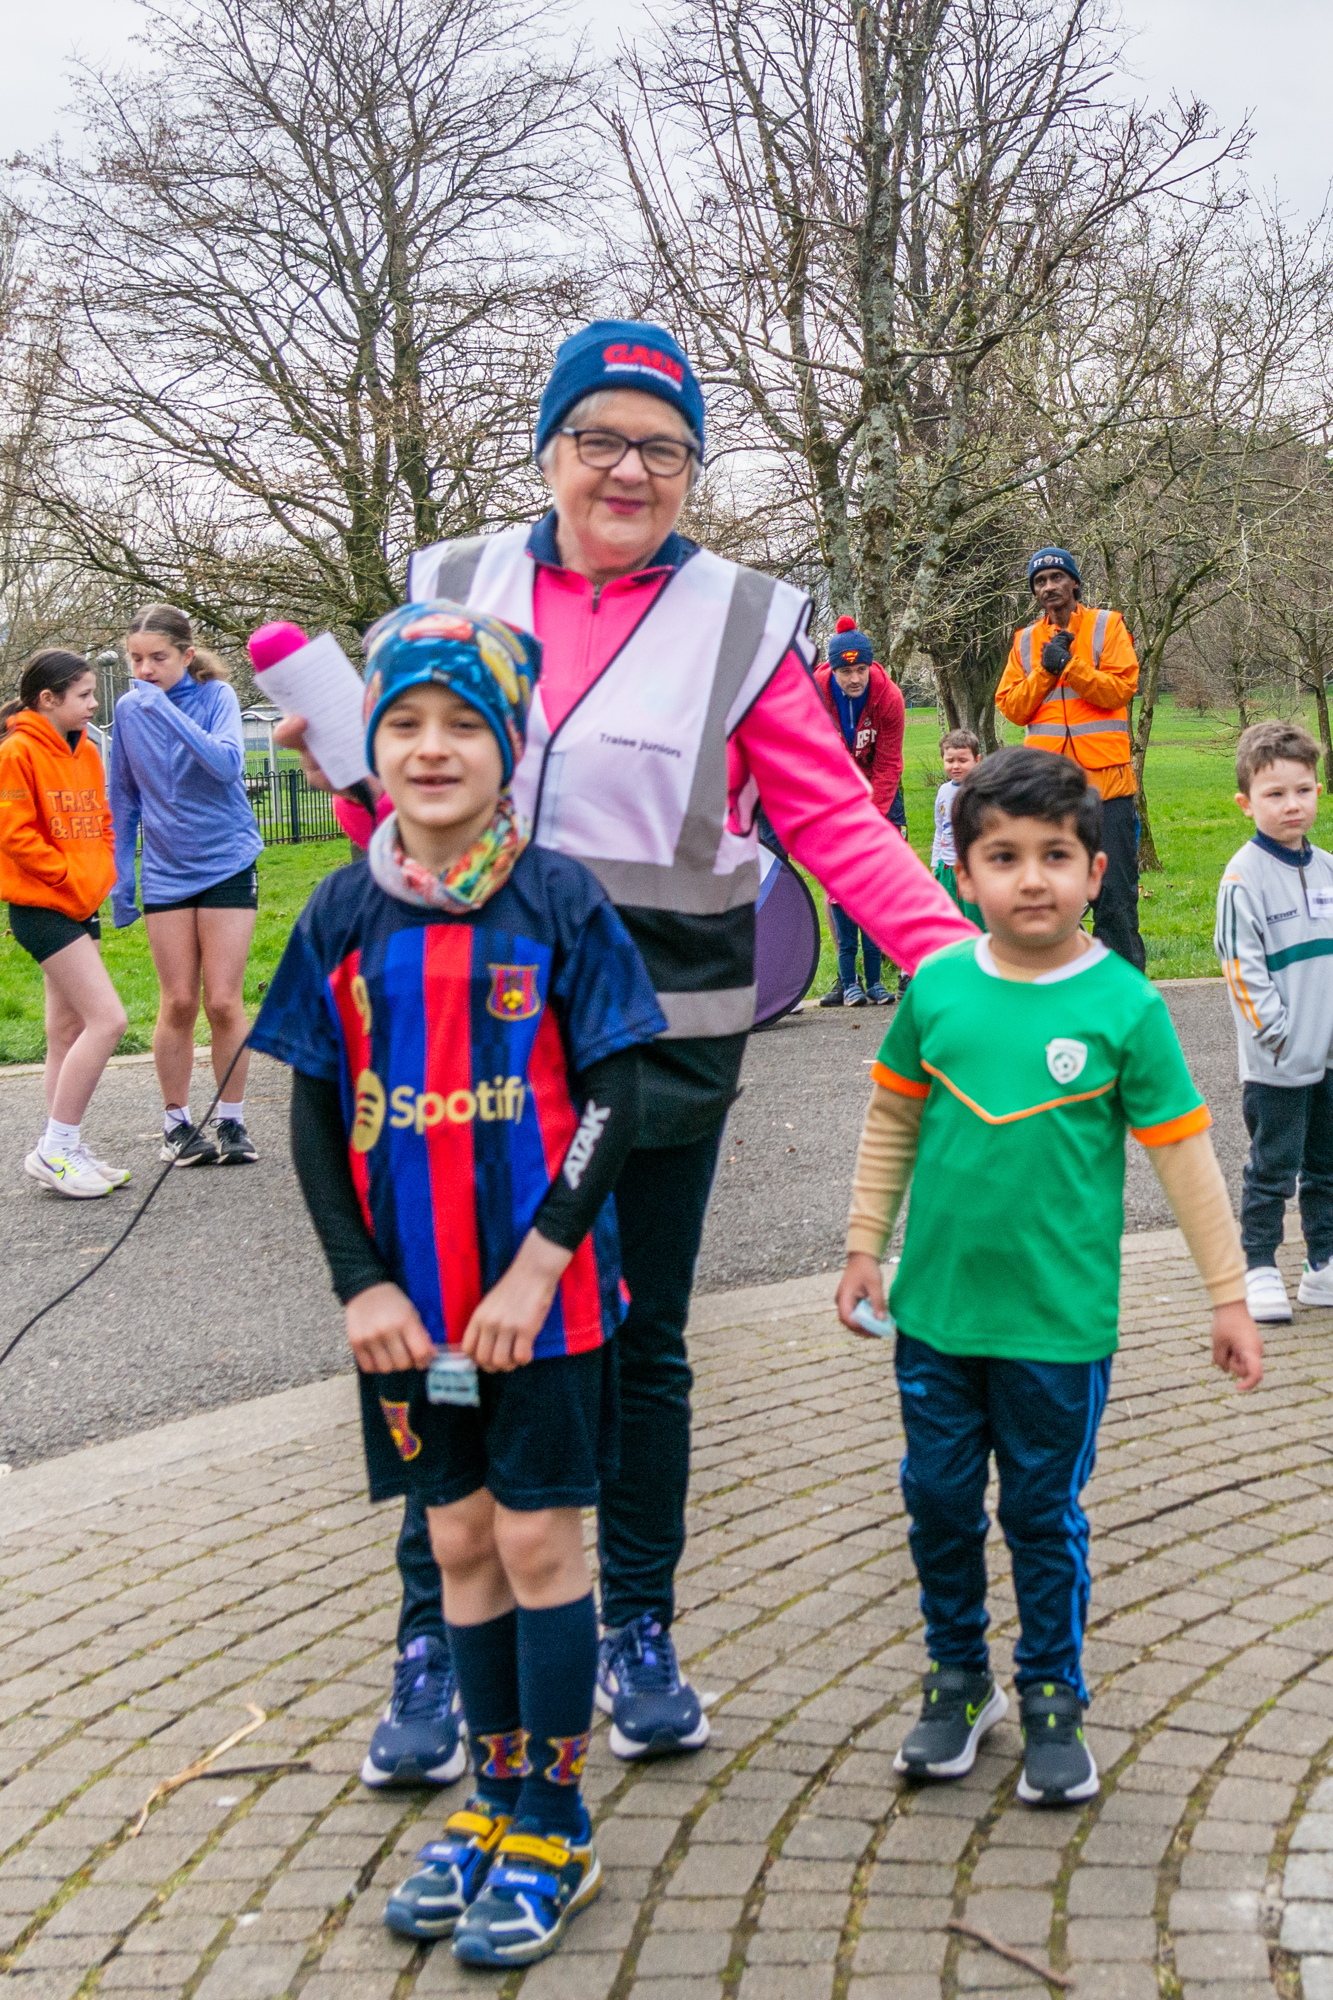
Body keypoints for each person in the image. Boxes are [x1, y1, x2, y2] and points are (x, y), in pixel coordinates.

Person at [277, 317, 975, 1779]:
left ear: (694, 471)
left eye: (664, 447)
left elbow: (832, 819)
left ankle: (633, 1626)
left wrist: (959, 966)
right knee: (452, 1332)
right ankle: (435, 1636)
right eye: (598, 437)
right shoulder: (452, 583)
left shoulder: (741, 615)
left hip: (655, 1036)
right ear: (546, 448)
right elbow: (396, 800)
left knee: (638, 1342)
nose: (629, 470)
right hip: (450, 1028)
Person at [250, 606, 667, 1965]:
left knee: (543, 1544)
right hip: (411, 1320)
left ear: (511, 748)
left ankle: (557, 1820)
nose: (433, 750)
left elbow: (615, 1089)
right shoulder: (342, 909)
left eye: (465, 725)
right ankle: (492, 1798)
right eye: (405, 724)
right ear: (372, 744)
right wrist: (359, 1286)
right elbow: (314, 1110)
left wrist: (544, 1262)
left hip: (544, 1307)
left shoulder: (557, 900)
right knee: (458, 1545)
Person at [837, 748, 1262, 1804]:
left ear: (1096, 868)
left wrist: (1225, 1292)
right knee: (936, 1501)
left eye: (1055, 856)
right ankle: (956, 1680)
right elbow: (891, 1116)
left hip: (1056, 1331)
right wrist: (861, 1243)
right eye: (1003, 856)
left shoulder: (1124, 1006)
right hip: (933, 1315)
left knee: (1039, 1511)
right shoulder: (934, 989)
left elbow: (1185, 1157)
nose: (1031, 878)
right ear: (965, 872)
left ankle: (1051, 1693)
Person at [110, 605, 263, 1167]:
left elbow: (225, 765)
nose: (145, 670)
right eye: (136, 660)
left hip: (226, 860)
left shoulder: (216, 697)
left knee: (223, 1001)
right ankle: (177, 1125)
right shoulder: (127, 710)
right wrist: (123, 875)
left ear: (186, 655)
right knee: (177, 1000)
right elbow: (123, 797)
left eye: (158, 658)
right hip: (167, 871)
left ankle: (232, 1121)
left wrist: (167, 712)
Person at [1215, 720, 1333, 1325]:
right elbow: (1242, 967)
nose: (1292, 805)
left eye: (1304, 790)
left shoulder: (1329, 869)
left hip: (1330, 1060)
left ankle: (1322, 1264)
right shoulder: (1242, 879)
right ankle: (1258, 1265)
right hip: (1279, 1061)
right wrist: (1278, 1035)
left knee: (1326, 1167)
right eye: (1275, 794)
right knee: (1272, 1168)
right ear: (1246, 803)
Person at [0, 651, 129, 1197]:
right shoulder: (17, 750)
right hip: (41, 905)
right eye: (84, 695)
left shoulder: (86, 751)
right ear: (47, 699)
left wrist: (98, 870)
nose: (94, 703)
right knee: (109, 1020)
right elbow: (14, 833)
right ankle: (55, 1148)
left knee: (67, 1032)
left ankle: (67, 1147)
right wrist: (67, 875)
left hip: (80, 899)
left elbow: (101, 817)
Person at [995, 547, 1145, 970]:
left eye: (1057, 578)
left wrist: (1070, 665)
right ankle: (1053, 982)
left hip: (1107, 789)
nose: (1049, 588)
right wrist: (1046, 671)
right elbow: (1012, 707)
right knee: (1051, 896)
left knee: (1115, 897)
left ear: (1074, 583)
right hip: (1048, 794)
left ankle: (1123, 993)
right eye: (1040, 583)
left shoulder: (1106, 625)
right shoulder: (1025, 641)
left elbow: (1119, 690)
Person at [814, 618, 906, 1007]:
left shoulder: (889, 698)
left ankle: (899, 969)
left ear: (871, 666)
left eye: (861, 669)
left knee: (889, 876)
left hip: (880, 786)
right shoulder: (813, 694)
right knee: (836, 881)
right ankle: (845, 975)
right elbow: (808, 756)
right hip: (833, 785)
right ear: (832, 670)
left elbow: (888, 764)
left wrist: (870, 816)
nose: (854, 679)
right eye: (845, 671)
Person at [931, 729, 985, 928]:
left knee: (976, 923)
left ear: (977, 760)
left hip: (974, 869)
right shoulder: (943, 791)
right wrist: (936, 864)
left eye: (963, 760)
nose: (955, 766)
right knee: (949, 923)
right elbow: (939, 829)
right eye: (950, 760)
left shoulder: (983, 790)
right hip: (947, 869)